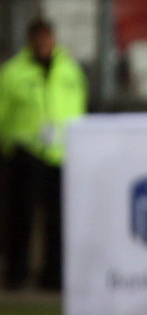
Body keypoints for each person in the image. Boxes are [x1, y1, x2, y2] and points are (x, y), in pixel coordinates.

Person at [0, 18, 87, 290]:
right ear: (30, 41)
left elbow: (77, 107)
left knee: (58, 218)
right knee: (20, 216)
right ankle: (17, 273)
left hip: (61, 154)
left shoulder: (70, 70)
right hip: (26, 151)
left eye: (47, 38)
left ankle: (54, 275)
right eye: (38, 39)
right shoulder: (13, 73)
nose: (43, 44)